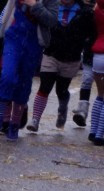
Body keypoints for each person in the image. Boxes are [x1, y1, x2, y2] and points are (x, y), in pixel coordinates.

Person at [0, 0, 59, 141]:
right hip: (14, 37)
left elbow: (52, 20)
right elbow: (6, 9)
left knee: (23, 82)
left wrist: (34, 5)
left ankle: (14, 124)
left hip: (34, 42)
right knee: (7, 76)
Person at [26, 0, 94, 131]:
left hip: (71, 58)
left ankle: (62, 109)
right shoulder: (51, 7)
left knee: (61, 90)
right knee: (45, 86)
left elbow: (91, 34)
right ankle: (35, 119)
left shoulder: (85, 12)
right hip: (51, 53)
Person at [88, 0, 104, 143]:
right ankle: (101, 135)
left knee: (100, 95)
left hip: (98, 54)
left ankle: (93, 131)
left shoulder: (97, 7)